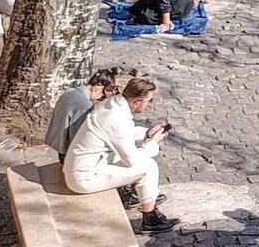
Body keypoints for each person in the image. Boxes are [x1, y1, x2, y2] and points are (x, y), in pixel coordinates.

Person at [63, 76, 177, 233]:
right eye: (149, 101)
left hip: (85, 164)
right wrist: (153, 142)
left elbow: (121, 134)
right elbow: (132, 160)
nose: (149, 104)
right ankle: (151, 219)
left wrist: (146, 134)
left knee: (129, 154)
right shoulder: (117, 119)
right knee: (148, 166)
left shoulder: (112, 105)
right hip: (84, 178)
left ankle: (141, 195)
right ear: (137, 102)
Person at [45, 68, 120, 162]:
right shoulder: (84, 105)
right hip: (71, 158)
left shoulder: (70, 91)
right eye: (103, 96)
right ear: (99, 88)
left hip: (60, 148)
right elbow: (80, 138)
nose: (99, 99)